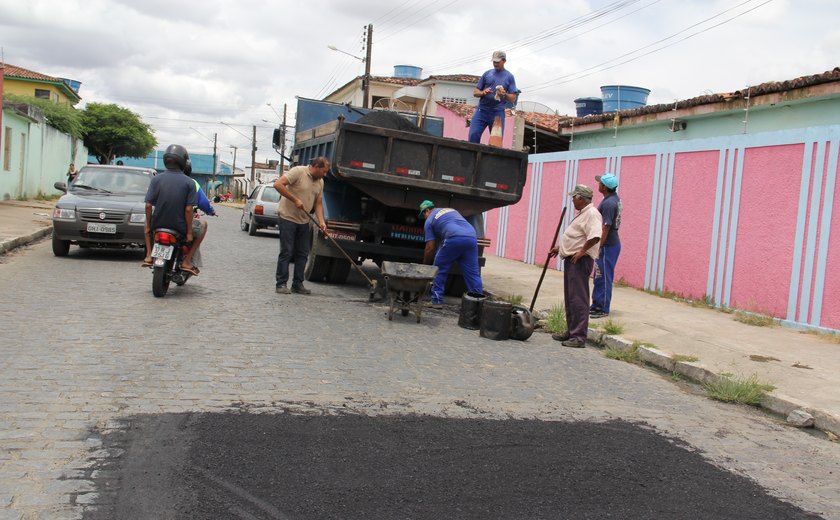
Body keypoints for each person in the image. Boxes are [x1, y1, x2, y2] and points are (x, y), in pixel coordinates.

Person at [548, 185, 602, 348]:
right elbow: (577, 237)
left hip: (580, 261)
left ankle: (578, 336)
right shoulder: (583, 214)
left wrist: (580, 252)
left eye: (574, 197)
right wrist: (561, 248)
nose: (572, 200)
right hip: (573, 259)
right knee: (571, 297)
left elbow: (595, 236)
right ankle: (571, 331)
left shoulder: (592, 214)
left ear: (581, 198)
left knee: (578, 298)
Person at [141, 144, 200, 274]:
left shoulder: (156, 179)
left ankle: (149, 255)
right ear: (183, 161)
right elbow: (189, 210)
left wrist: (149, 225)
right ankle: (187, 261)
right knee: (204, 225)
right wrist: (189, 232)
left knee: (145, 223)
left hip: (158, 224)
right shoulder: (189, 182)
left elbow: (148, 205)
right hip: (180, 227)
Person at [274, 157, 329, 294]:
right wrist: (295, 199)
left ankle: (297, 284)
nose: (325, 174)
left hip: (304, 221)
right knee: (287, 251)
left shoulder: (320, 182)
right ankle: (281, 284)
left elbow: (318, 203)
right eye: (324, 171)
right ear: (316, 166)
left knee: (303, 253)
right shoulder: (298, 172)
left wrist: (321, 221)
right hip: (287, 217)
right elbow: (278, 184)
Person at [419, 200, 484, 309]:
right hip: (471, 238)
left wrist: (425, 265)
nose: (424, 218)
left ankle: (436, 300)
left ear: (427, 210)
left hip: (454, 238)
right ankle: (478, 304)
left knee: (439, 268)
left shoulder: (429, 220)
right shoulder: (450, 210)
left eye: (423, 214)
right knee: (473, 274)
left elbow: (430, 247)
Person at [468, 50, 519, 145]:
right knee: (473, 136)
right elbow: (475, 92)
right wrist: (483, 92)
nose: (495, 64)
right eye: (494, 62)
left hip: (497, 113)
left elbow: (512, 98)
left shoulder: (509, 77)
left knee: (496, 142)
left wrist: (504, 94)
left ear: (504, 61)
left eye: (498, 62)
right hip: (481, 111)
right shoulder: (487, 74)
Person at [590, 173, 623, 319]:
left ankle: (602, 308)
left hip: (608, 245)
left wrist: (598, 246)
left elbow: (606, 227)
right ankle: (596, 304)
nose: (598, 184)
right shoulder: (612, 199)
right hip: (609, 244)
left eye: (600, 183)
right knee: (598, 275)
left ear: (605, 187)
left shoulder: (609, 203)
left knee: (603, 277)